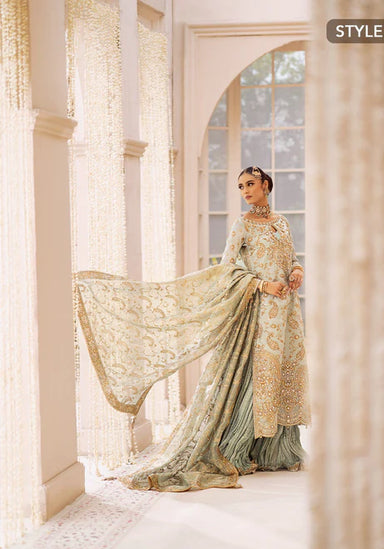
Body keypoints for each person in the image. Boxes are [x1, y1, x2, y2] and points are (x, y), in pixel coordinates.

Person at [75, 165, 311, 492]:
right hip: (257, 313)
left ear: (266, 186)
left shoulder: (281, 223)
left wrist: (297, 272)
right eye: (241, 186)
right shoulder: (242, 225)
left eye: (250, 184)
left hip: (285, 313)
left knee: (281, 373)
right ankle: (240, 449)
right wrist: (261, 285)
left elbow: (291, 258)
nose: (245, 191)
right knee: (257, 376)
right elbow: (227, 270)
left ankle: (276, 451)